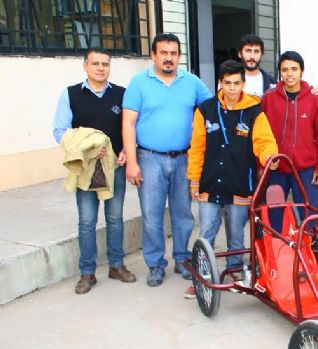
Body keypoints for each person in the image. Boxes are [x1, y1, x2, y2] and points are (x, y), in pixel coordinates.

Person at [122, 33, 213, 287]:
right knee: (151, 215)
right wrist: (131, 161)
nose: (169, 58)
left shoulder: (192, 82)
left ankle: (183, 259)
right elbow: (128, 123)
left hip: (184, 157)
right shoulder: (139, 83)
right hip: (150, 158)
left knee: (183, 213)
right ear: (153, 55)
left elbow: (214, 108)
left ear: (179, 56)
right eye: (164, 53)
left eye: (173, 54)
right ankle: (155, 264)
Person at [183, 60, 279, 298]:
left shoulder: (254, 110)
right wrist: (194, 179)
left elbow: (264, 141)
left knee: (236, 235)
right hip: (209, 183)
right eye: (228, 83)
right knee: (206, 232)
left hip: (239, 184)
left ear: (243, 84)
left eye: (237, 83)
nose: (233, 88)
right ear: (220, 83)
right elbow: (197, 148)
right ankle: (202, 276)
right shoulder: (205, 109)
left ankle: (234, 272)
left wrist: (270, 156)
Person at [52, 48, 137, 294]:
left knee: (115, 218)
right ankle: (87, 272)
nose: (101, 68)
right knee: (87, 221)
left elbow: (130, 126)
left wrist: (125, 152)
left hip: (115, 168)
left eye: (105, 64)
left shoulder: (122, 94)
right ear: (85, 66)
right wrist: (86, 150)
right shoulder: (70, 94)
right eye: (96, 63)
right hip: (86, 169)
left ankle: (116, 265)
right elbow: (60, 131)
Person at [260, 51, 318, 230]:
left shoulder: (314, 98)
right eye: (285, 70)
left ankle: (310, 253)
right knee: (275, 215)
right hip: (277, 168)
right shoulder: (269, 97)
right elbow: (260, 133)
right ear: (280, 73)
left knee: (308, 216)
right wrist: (262, 165)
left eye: (294, 69)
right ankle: (278, 252)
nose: (289, 73)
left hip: (306, 169)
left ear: (302, 71)